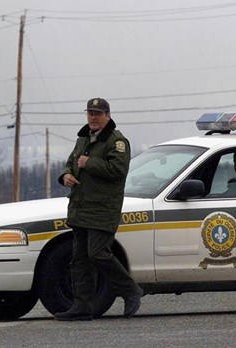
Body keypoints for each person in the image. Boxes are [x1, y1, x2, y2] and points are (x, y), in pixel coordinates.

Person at [55, 97, 143, 321]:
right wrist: (66, 174)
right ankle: (82, 306)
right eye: (90, 113)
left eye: (98, 114)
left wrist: (89, 163)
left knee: (98, 253)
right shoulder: (83, 137)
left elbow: (118, 169)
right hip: (80, 207)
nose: (93, 117)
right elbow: (71, 161)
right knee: (80, 259)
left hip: (103, 209)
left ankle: (130, 290)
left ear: (108, 116)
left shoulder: (116, 141)